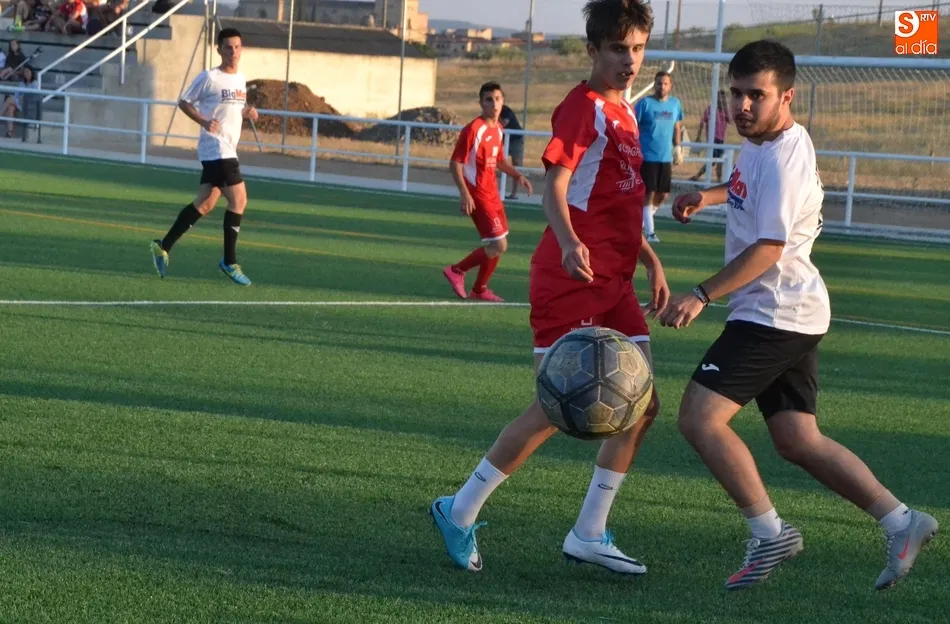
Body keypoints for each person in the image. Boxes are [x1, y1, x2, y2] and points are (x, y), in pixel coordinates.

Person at [660, 39, 938, 591]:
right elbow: (746, 186)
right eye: (735, 93)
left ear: (786, 97)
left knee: (698, 418)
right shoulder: (762, 142)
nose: (742, 106)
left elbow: (769, 247)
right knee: (796, 439)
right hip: (790, 312)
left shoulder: (786, 158)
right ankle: (902, 522)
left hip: (774, 314)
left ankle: (769, 532)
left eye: (755, 96)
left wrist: (701, 294)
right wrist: (708, 196)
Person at [431, 0, 669, 575]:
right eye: (618, 49)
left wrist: (651, 261)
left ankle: (589, 532)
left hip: (613, 281)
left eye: (638, 49)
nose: (630, 60)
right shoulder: (581, 108)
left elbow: (614, 206)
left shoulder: (626, 111)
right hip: (570, 279)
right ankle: (459, 510)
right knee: (554, 406)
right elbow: (554, 187)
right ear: (592, 50)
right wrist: (567, 242)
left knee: (642, 403)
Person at [150, 28, 259, 286]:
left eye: (237, 47)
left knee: (205, 203)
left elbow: (231, 111)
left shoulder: (240, 79)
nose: (233, 52)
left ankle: (163, 246)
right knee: (239, 199)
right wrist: (203, 121)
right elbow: (184, 102)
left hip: (228, 148)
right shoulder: (209, 77)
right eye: (228, 47)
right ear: (218, 49)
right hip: (216, 149)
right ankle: (229, 261)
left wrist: (247, 114)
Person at [443, 81, 532, 302]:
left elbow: (498, 159)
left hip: (493, 193)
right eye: (488, 100)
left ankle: (480, 289)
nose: (494, 104)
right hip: (478, 194)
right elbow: (455, 163)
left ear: (503, 101)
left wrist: (517, 175)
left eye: (497, 99)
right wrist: (465, 193)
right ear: (481, 103)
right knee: (499, 244)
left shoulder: (498, 128)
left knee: (498, 243)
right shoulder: (474, 129)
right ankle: (457, 270)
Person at [634, 70, 683, 243]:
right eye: (659, 83)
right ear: (654, 84)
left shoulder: (675, 104)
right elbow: (633, 126)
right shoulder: (645, 104)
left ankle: (642, 222)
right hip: (647, 156)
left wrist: (678, 147)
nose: (662, 86)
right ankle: (650, 233)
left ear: (670, 86)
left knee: (663, 194)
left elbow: (677, 126)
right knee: (649, 193)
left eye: (665, 83)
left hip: (665, 157)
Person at [690, 89, 730, 182]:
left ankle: (718, 179)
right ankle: (699, 176)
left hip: (721, 139)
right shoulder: (710, 109)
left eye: (723, 99)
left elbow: (730, 121)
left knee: (720, 160)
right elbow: (702, 122)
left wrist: (725, 109)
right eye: (720, 98)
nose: (721, 100)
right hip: (712, 139)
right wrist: (698, 136)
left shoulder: (724, 111)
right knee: (713, 160)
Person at [499, 103, 525, 200]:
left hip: (516, 140)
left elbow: (503, 124)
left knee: (516, 165)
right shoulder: (489, 111)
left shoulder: (506, 111)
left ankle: (514, 193)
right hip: (502, 139)